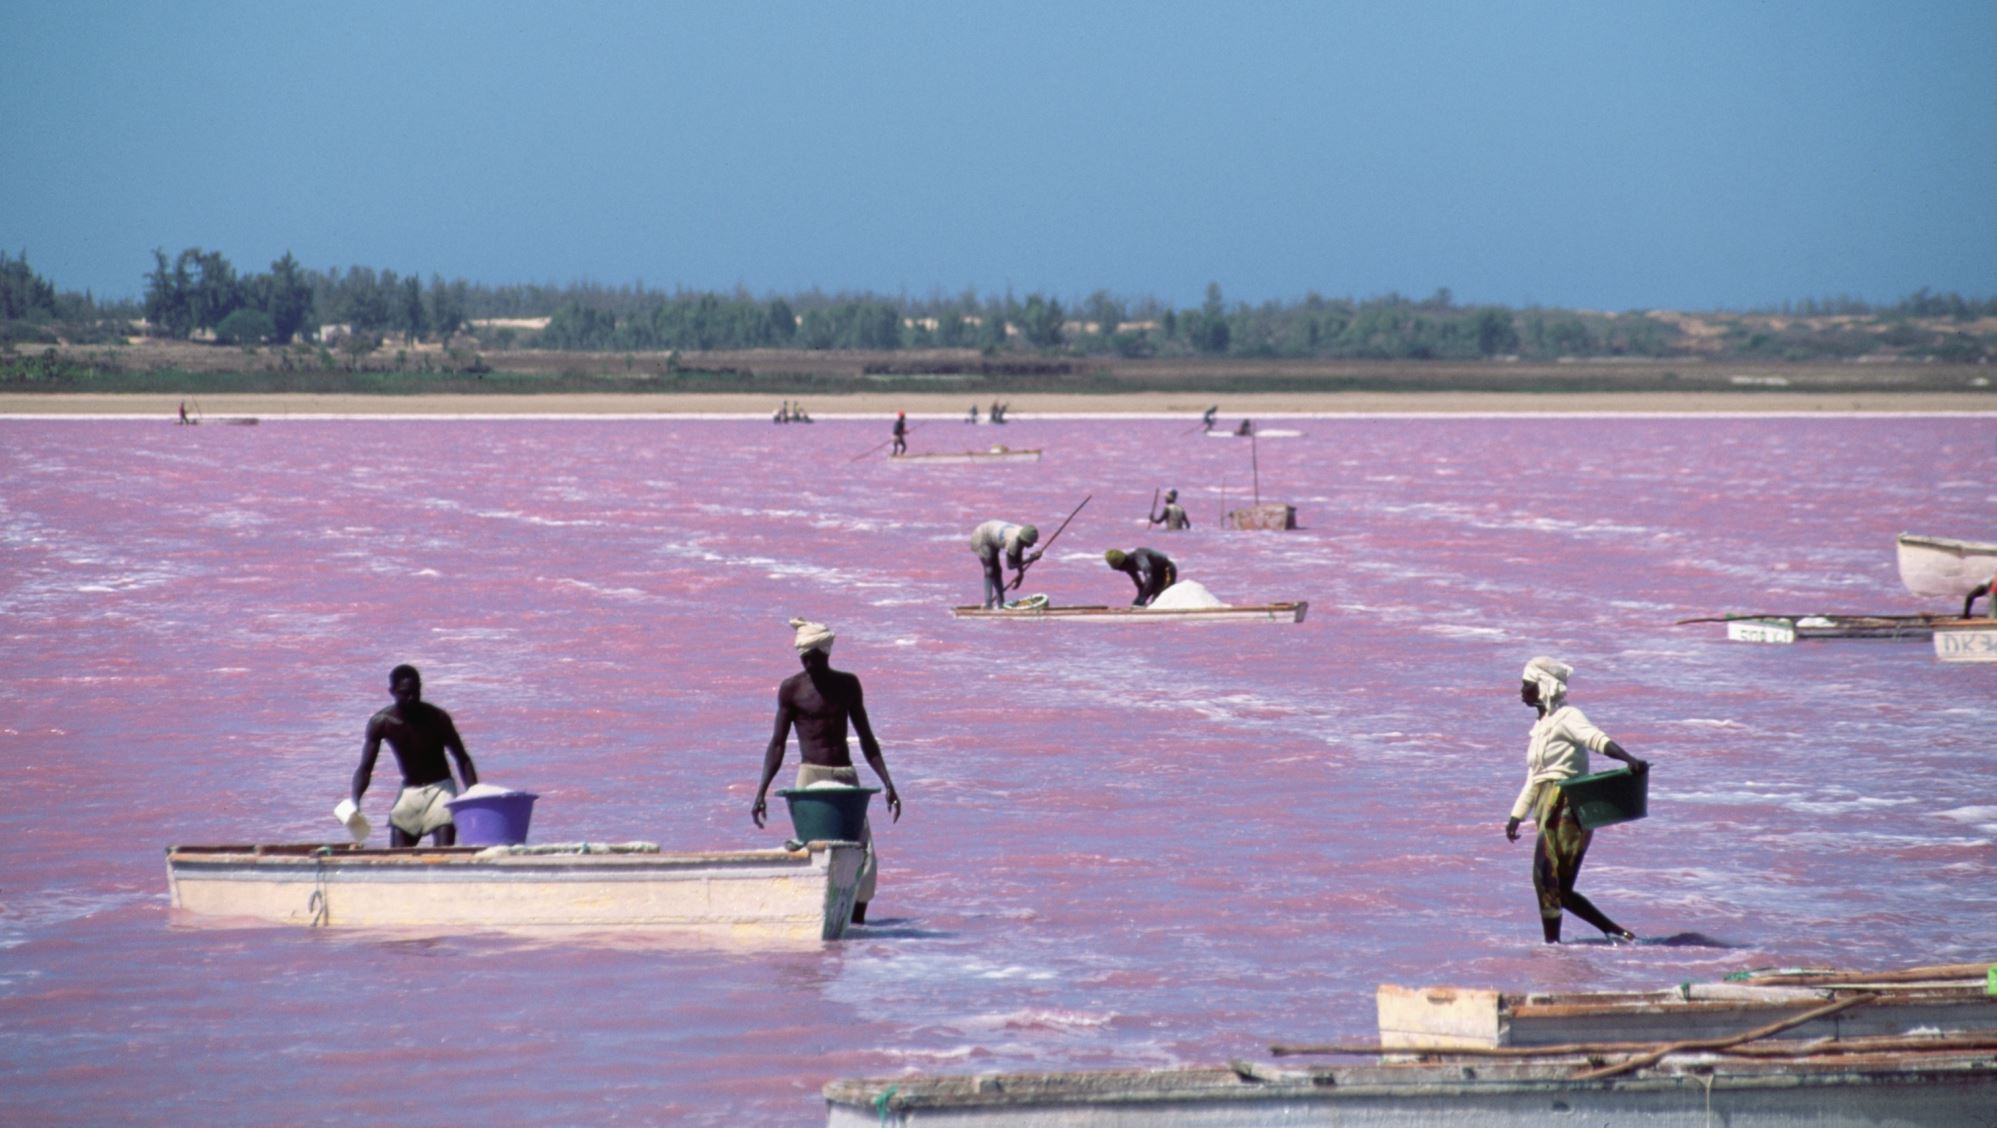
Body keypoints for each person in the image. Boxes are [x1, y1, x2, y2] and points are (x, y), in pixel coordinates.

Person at [752, 618, 902, 924]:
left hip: (845, 776)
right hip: (810, 777)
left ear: (826, 653)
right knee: (813, 853)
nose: (807, 662)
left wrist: (888, 782)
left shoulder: (848, 685)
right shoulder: (791, 689)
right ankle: (812, 920)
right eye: (802, 657)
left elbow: (866, 737)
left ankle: (855, 928)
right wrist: (761, 791)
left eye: (812, 656)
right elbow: (777, 744)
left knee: (863, 855)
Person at [1505, 657, 1649, 944]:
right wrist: (1516, 816)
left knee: (1546, 879)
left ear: (1543, 687)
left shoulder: (1568, 717)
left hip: (1567, 804)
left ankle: (1552, 946)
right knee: (1556, 886)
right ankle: (1617, 933)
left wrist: (1628, 759)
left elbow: (1595, 739)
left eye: (1527, 685)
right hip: (1547, 803)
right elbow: (1534, 777)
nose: (1521, 691)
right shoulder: (1542, 725)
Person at [351, 664, 480, 847]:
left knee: (443, 852)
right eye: (405, 693)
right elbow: (365, 768)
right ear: (392, 691)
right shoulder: (382, 723)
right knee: (397, 855)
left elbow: (462, 758)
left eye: (415, 692)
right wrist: (355, 800)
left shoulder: (437, 718)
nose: (411, 698)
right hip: (409, 791)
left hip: (440, 789)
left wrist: (473, 794)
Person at [969, 520, 1041, 608]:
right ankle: (988, 605)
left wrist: (1021, 574)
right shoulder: (1013, 541)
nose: (1032, 546)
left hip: (991, 539)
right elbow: (1010, 566)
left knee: (998, 571)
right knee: (990, 571)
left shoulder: (1022, 535)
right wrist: (1030, 559)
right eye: (1030, 543)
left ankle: (1001, 605)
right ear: (1025, 540)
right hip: (981, 538)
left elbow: (1018, 554)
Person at [1104, 547, 1177, 606]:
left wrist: (1142, 597)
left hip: (1167, 570)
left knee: (1158, 599)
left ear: (1123, 563)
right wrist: (1139, 599)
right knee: (1141, 601)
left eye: (1119, 568)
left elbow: (1149, 577)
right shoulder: (1127, 567)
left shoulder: (1139, 557)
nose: (1120, 570)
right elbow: (1139, 584)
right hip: (1155, 574)